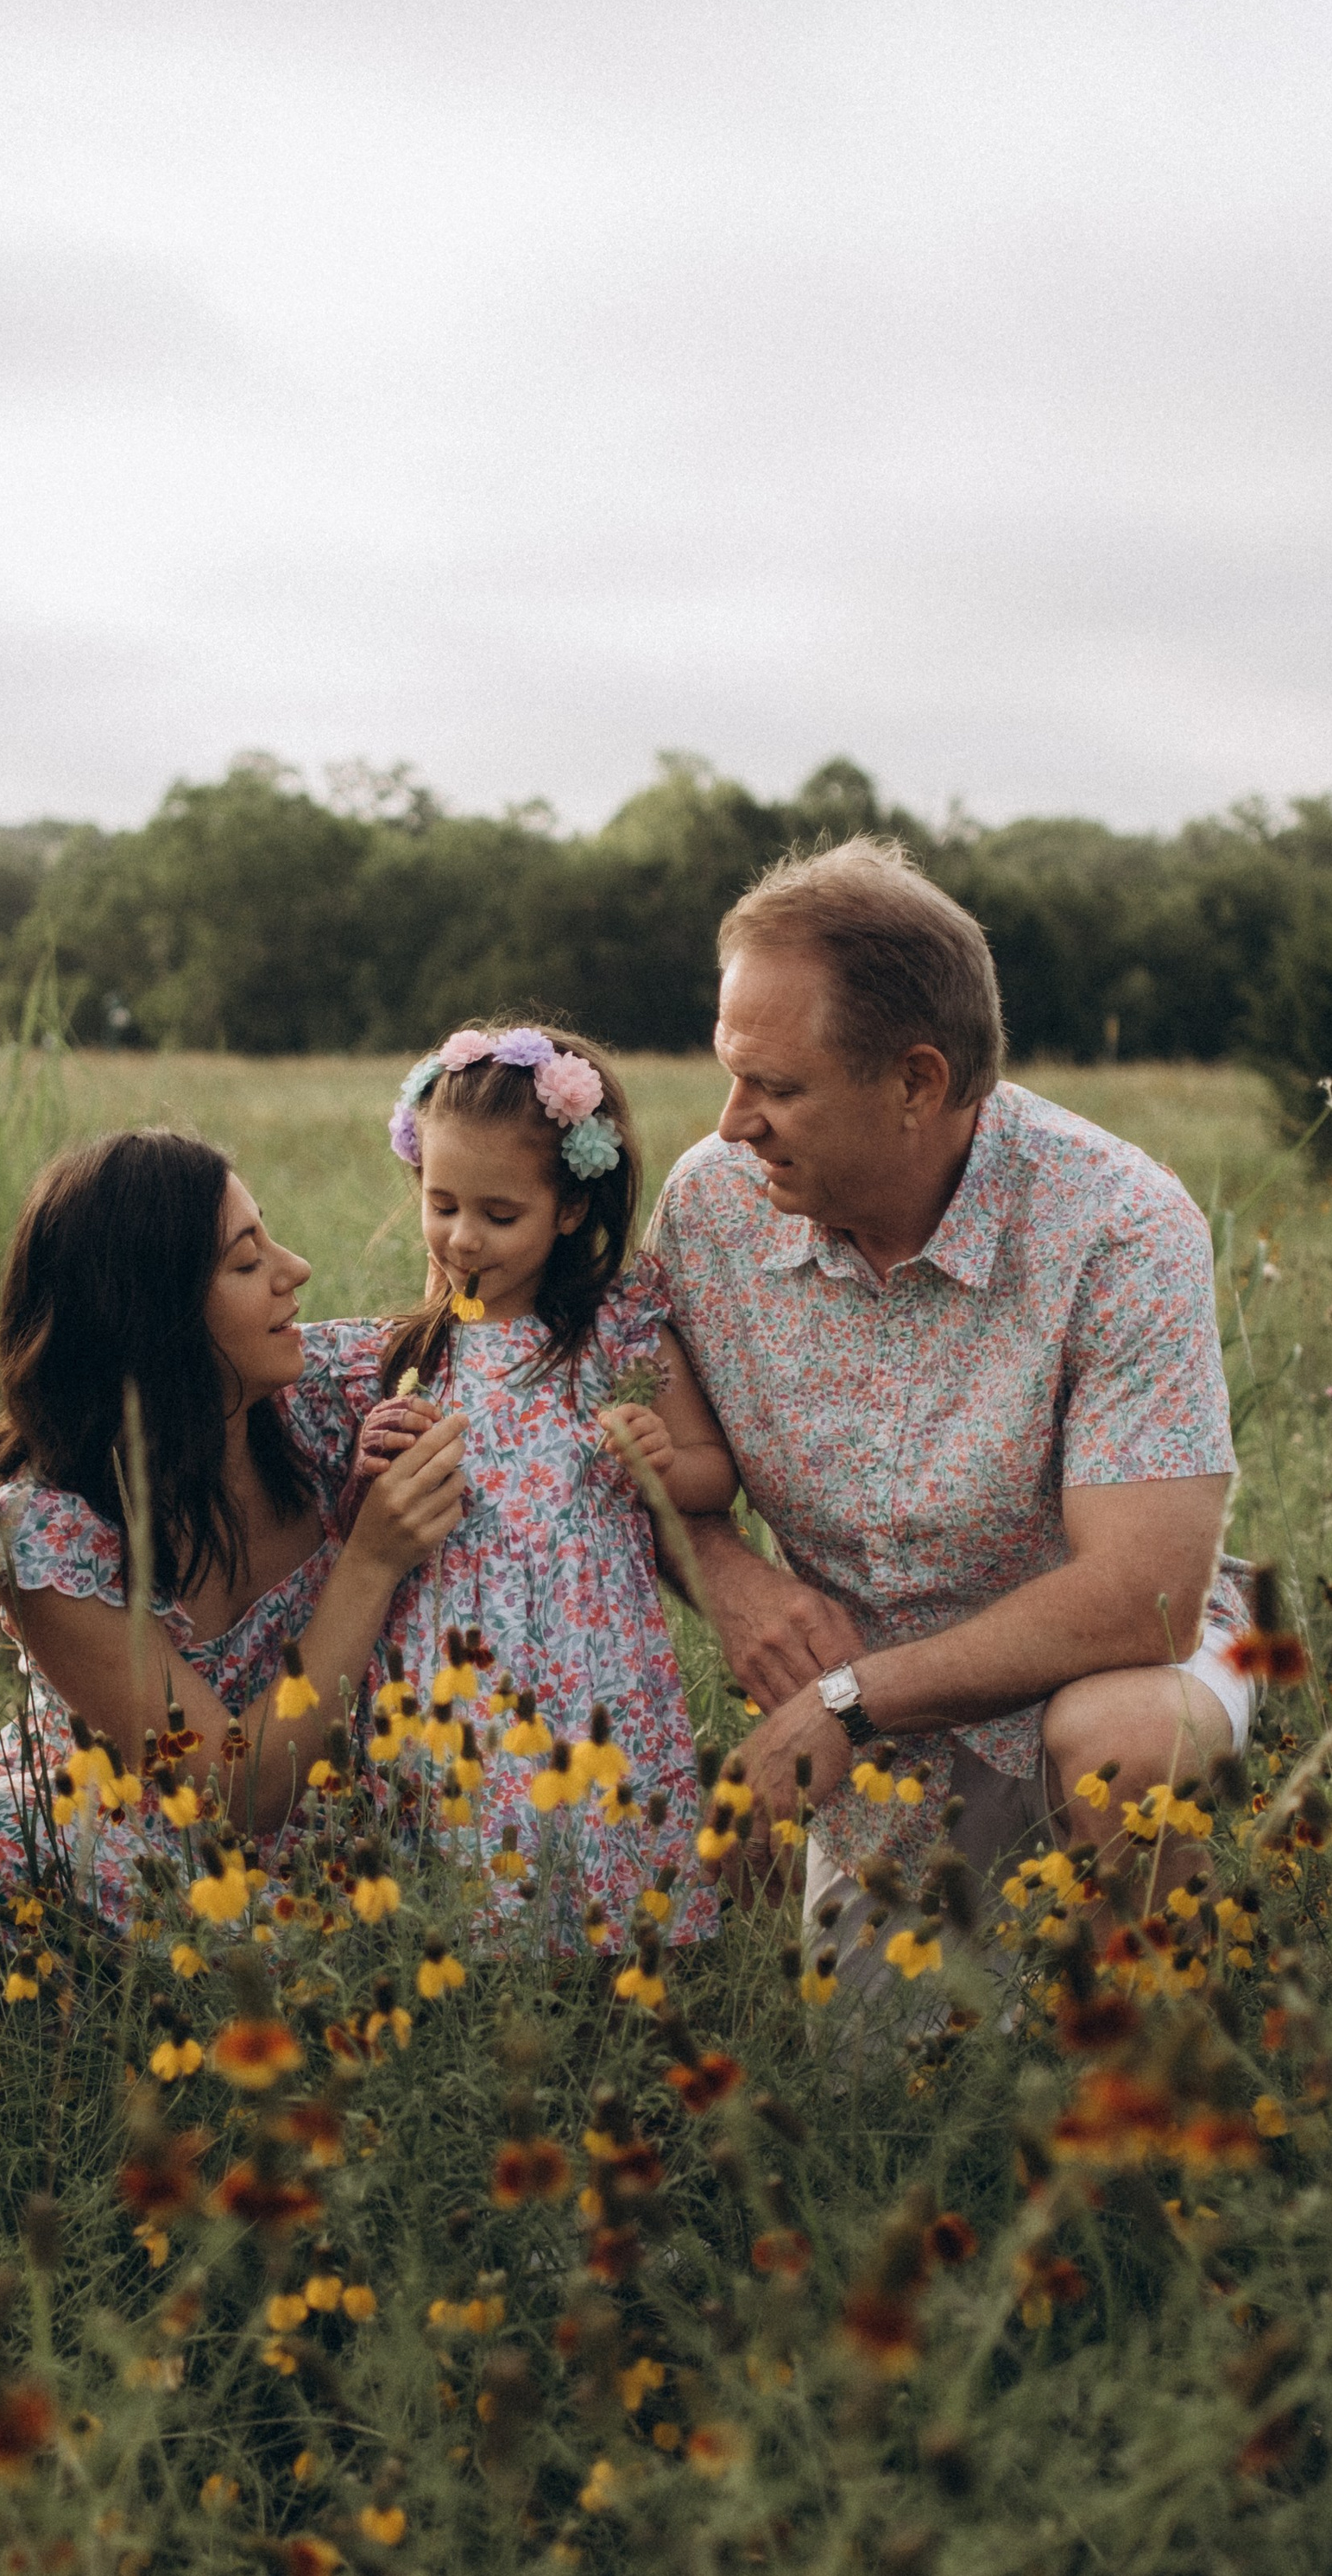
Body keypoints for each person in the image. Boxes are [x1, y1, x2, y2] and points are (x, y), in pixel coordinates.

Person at [649, 837, 1254, 1984]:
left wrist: (855, 1697)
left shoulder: (1119, 1223)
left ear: (917, 1084)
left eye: (776, 1087)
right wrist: (731, 1585)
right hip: (864, 1726)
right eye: (732, 1073)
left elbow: (1151, 1595)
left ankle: (1171, 2085)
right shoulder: (708, 1210)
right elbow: (633, 1455)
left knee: (1123, 1749)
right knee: (882, 2103)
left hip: (1076, 1678)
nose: (734, 1122)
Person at [0, 1129, 466, 1918]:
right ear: (151, 1317)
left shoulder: (325, 1400)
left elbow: (475, 1331)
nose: (295, 1270)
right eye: (245, 1262)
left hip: (329, 1816)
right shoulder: (51, 1544)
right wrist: (370, 1561)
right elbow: (234, 1797)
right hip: (151, 1834)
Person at [329, 1023, 740, 1946]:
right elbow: (352, 1525)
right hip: (445, 1661)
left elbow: (716, 1477)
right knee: (459, 1884)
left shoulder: (613, 1334)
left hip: (588, 1657)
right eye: (441, 1205)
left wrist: (659, 1464)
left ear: (565, 1209)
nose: (462, 1237)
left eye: (498, 1215)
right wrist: (368, 1467)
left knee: (594, 1877)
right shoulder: (405, 1354)